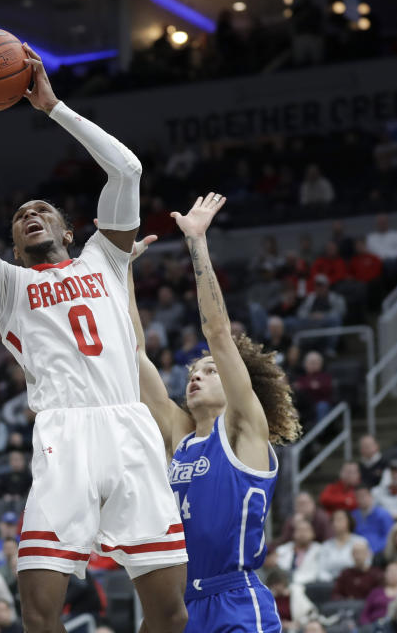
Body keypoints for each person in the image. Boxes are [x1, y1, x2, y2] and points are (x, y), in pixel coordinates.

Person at [0, 45, 188, 633]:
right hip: (64, 433)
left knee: (170, 614)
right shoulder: (6, 288)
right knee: (39, 613)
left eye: (43, 209)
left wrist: (53, 107)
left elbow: (127, 170)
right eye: (20, 215)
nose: (30, 213)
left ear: (68, 229)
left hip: (131, 427)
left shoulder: (104, 260)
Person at [127, 192, 302, 632]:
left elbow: (218, 333)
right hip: (179, 607)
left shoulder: (244, 430)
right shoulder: (180, 437)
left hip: (234, 600)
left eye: (210, 371)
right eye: (194, 370)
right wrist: (121, 271)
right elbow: (133, 352)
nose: (198, 376)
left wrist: (197, 243)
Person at [319, 510, 368, 580]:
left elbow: (367, 564)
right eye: (333, 520)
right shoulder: (326, 545)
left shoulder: (360, 542)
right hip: (330, 583)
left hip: (355, 580)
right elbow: (321, 569)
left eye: (339, 519)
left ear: (349, 521)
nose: (336, 523)